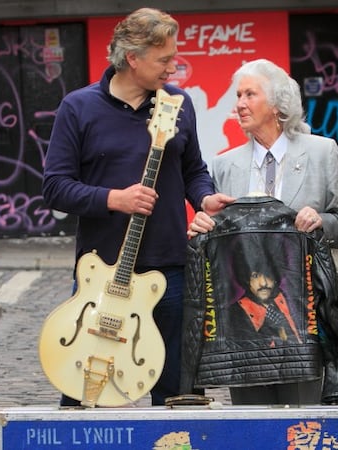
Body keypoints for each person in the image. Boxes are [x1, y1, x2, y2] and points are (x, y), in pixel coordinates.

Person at [41, 7, 232, 407]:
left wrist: (204, 197)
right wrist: (114, 199)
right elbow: (56, 187)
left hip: (170, 268)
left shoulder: (177, 103)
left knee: (178, 392)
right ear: (132, 58)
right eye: (164, 60)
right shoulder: (78, 108)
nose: (173, 68)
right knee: (82, 393)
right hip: (101, 273)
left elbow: (194, 169)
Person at [187, 58, 338, 406]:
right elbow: (219, 235)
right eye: (238, 95)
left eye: (250, 94)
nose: (239, 104)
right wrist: (201, 226)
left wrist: (322, 220)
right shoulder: (224, 164)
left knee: (302, 413)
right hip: (242, 321)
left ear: (278, 105)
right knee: (250, 418)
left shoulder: (322, 153)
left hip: (304, 312)